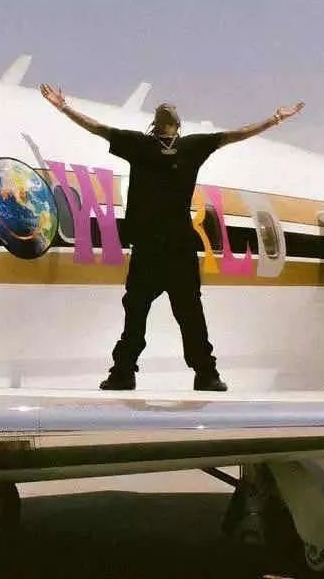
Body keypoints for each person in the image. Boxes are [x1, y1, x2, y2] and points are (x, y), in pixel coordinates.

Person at [40, 85, 304, 391]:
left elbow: (235, 135)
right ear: (159, 122)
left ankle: (204, 373)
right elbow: (97, 128)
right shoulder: (139, 144)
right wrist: (64, 108)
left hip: (178, 249)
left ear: (176, 124)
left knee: (188, 314)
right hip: (149, 248)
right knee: (138, 313)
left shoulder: (192, 146)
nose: (167, 111)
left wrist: (274, 119)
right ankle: (124, 372)